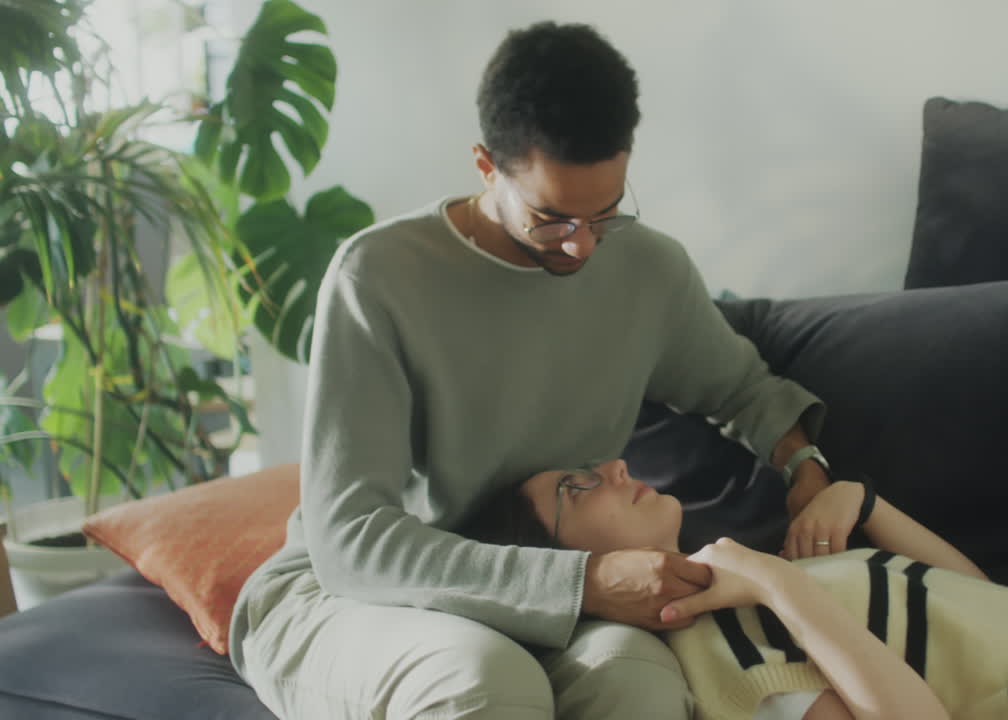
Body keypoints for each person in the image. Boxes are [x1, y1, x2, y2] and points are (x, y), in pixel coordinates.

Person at [228, 21, 848, 720]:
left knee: (637, 685)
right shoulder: (380, 278)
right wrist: (581, 582)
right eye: (552, 218)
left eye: (606, 213)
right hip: (357, 596)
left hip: (546, 596)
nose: (582, 246)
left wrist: (807, 468)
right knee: (485, 681)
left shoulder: (647, 268)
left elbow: (744, 391)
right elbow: (351, 540)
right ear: (486, 166)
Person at [466, 458, 1008, 720]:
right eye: (578, 488)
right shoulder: (714, 651)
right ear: (563, 567)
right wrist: (786, 590)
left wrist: (867, 504)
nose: (613, 466)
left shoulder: (747, 579)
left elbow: (994, 614)